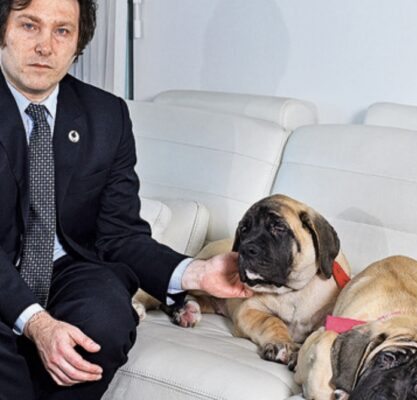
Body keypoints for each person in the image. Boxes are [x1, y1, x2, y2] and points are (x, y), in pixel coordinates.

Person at [0, 0, 252, 398]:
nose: (45, 46)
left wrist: (195, 273)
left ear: (78, 42)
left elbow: (119, 234)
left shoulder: (106, 115)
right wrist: (36, 322)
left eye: (62, 31)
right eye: (29, 26)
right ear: (3, 29)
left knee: (105, 319)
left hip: (64, 267)